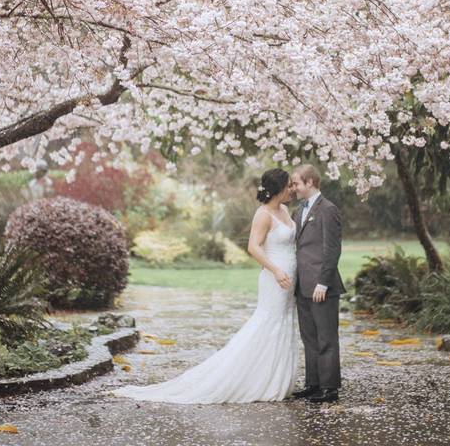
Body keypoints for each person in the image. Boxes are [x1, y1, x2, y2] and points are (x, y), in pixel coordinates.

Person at [109, 168, 300, 403]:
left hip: (290, 280)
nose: (293, 189)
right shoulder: (263, 214)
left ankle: (277, 379)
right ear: (278, 188)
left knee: (284, 324)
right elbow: (253, 247)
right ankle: (253, 380)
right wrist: (276, 270)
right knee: (268, 324)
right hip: (275, 278)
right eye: (289, 185)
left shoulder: (285, 211)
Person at [288, 163, 346, 403]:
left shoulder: (328, 210)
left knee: (326, 338)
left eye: (296, 183)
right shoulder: (299, 210)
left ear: (310, 182)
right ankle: (313, 384)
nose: (293, 188)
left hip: (323, 286)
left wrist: (323, 282)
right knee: (309, 337)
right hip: (302, 285)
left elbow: (332, 249)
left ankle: (330, 388)